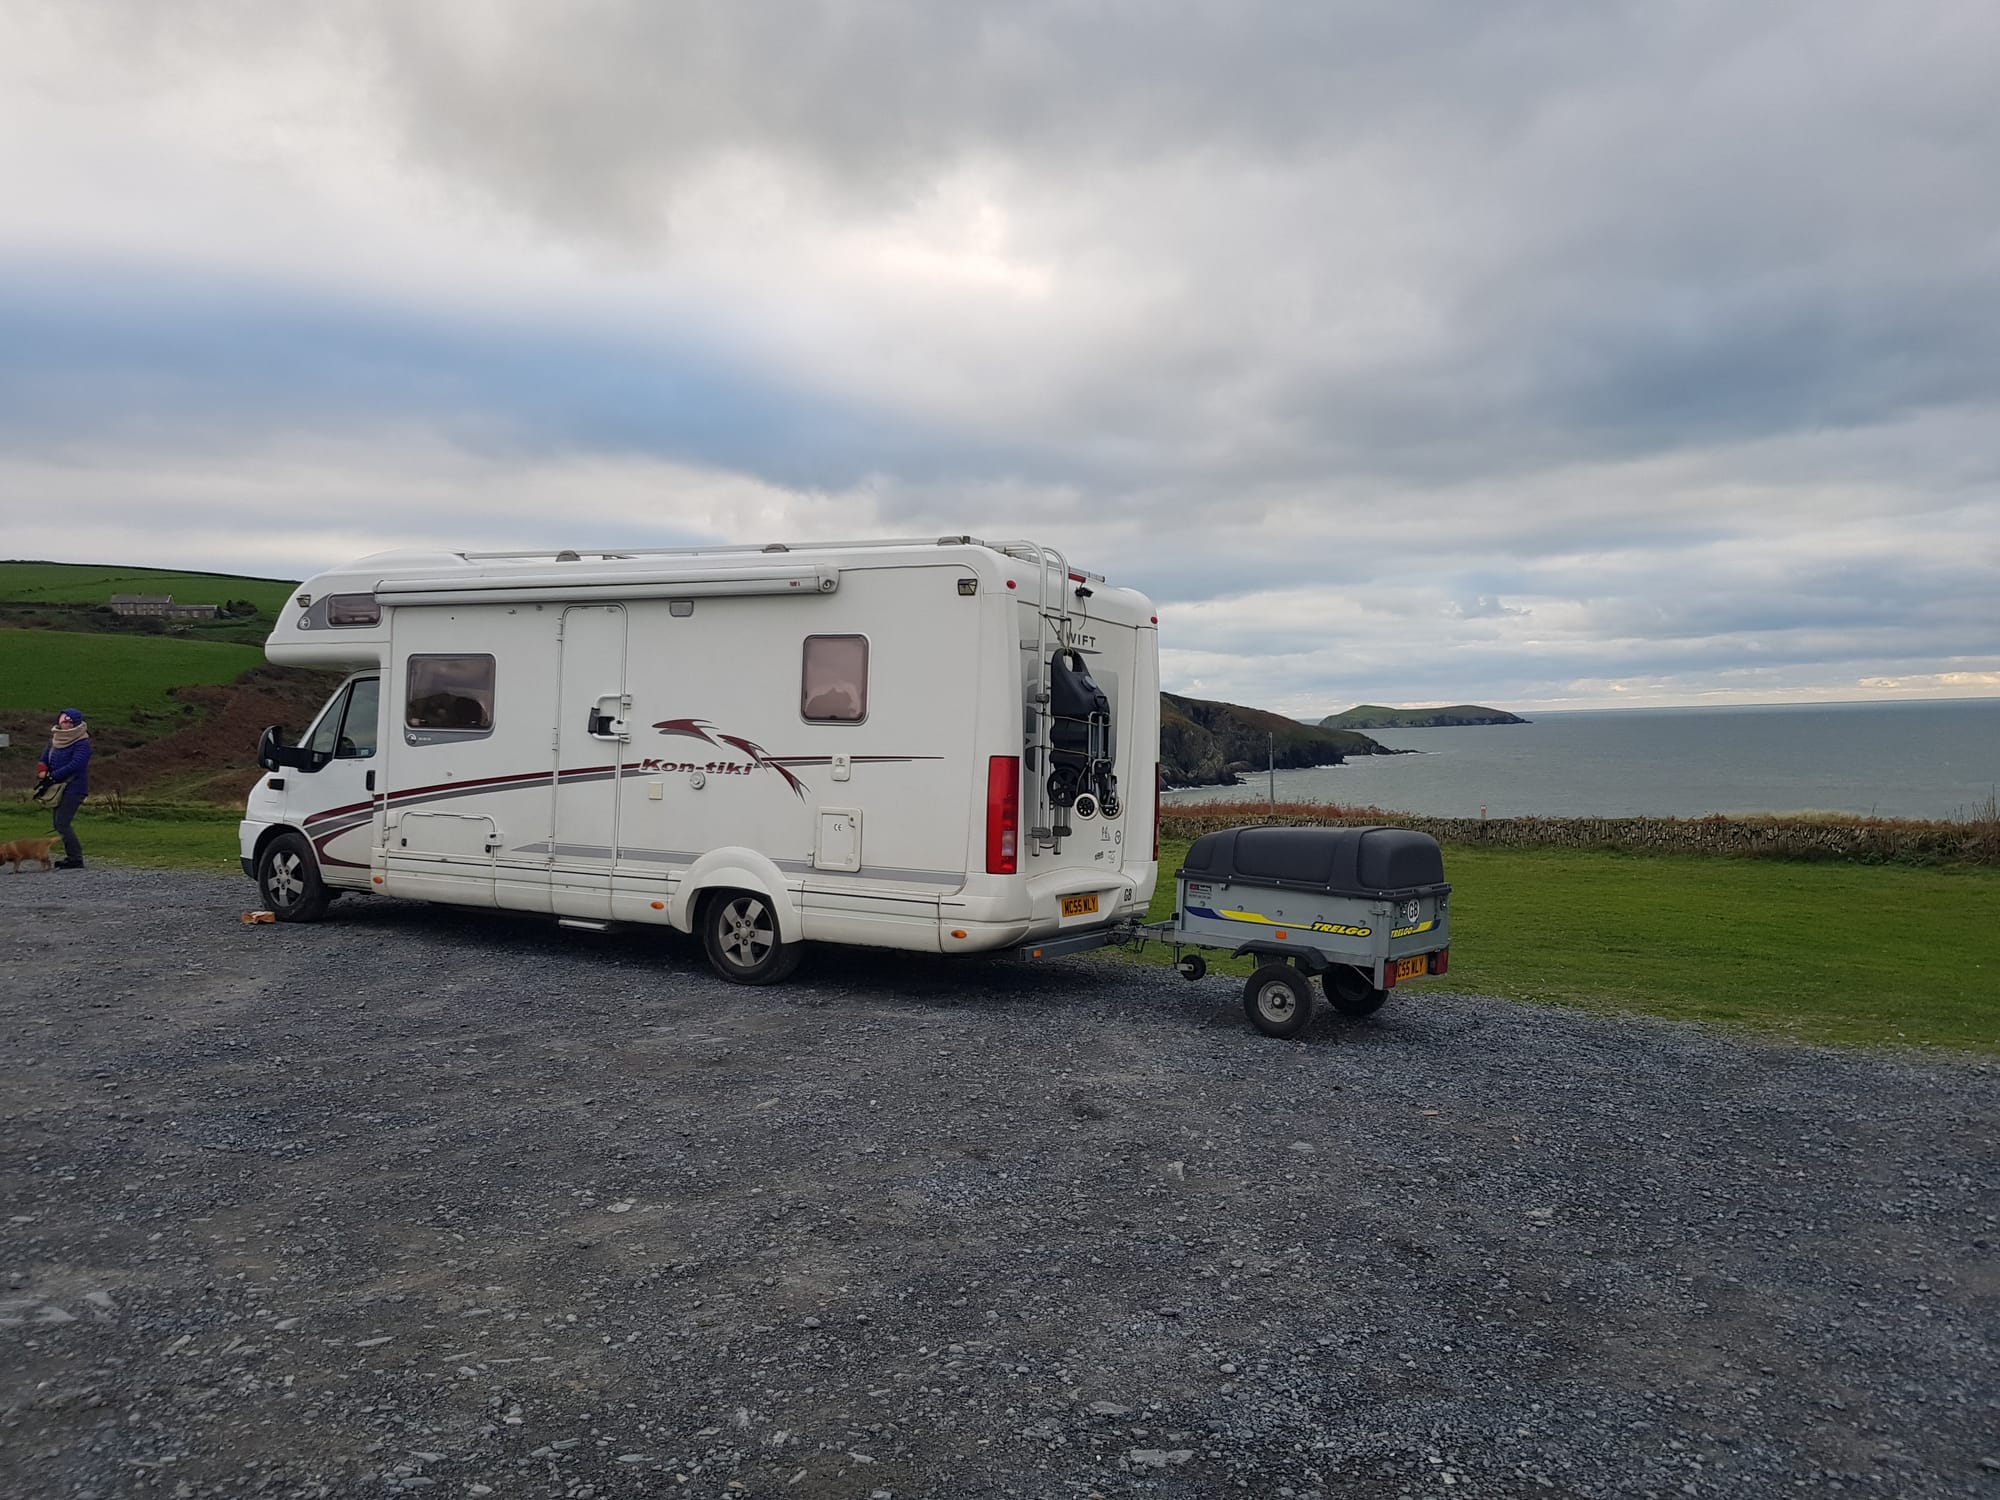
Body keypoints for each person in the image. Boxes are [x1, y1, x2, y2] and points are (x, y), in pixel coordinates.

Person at [39, 708, 92, 870]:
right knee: (58, 823)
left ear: (75, 723)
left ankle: (75, 858)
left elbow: (76, 764)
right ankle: (71, 857)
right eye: (63, 721)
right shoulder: (54, 740)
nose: (66, 724)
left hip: (74, 787)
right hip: (57, 786)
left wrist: (53, 776)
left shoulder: (82, 743)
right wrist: (42, 770)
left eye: (69, 722)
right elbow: (44, 758)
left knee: (62, 823)